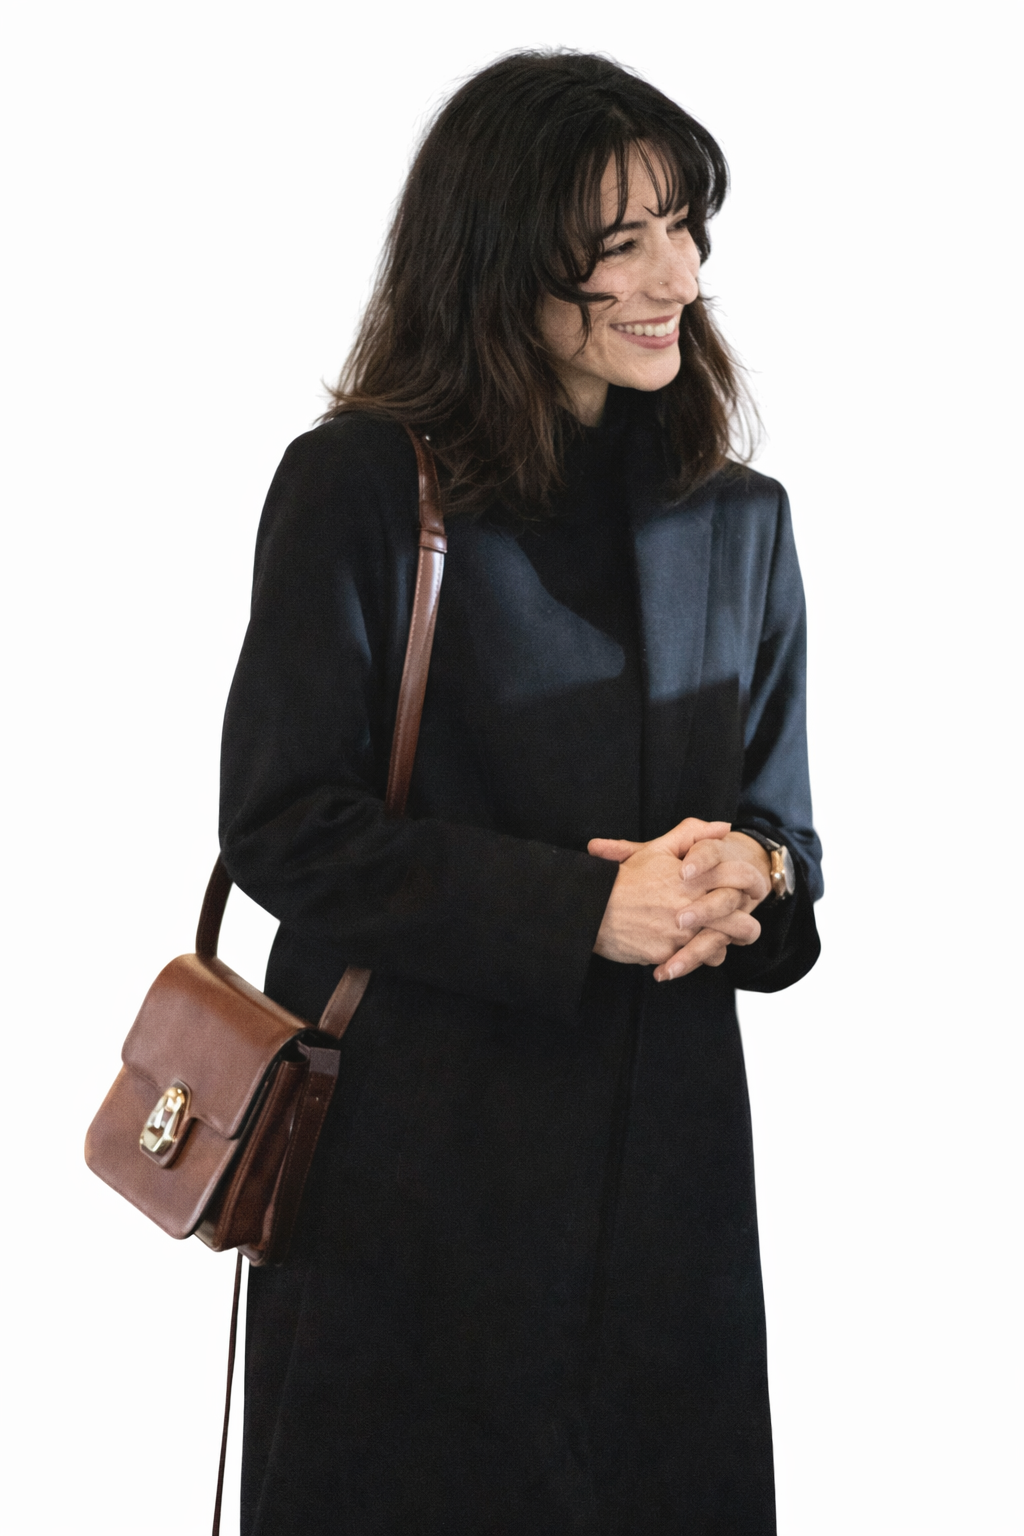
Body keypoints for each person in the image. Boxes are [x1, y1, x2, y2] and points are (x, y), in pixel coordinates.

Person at [220, 48, 822, 1536]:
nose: (675, 276)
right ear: (501, 256)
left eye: (684, 227)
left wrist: (756, 876)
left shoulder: (738, 520)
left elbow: (787, 835)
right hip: (417, 1190)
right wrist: (582, 911)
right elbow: (285, 823)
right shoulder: (364, 488)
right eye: (622, 241)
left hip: (669, 1204)